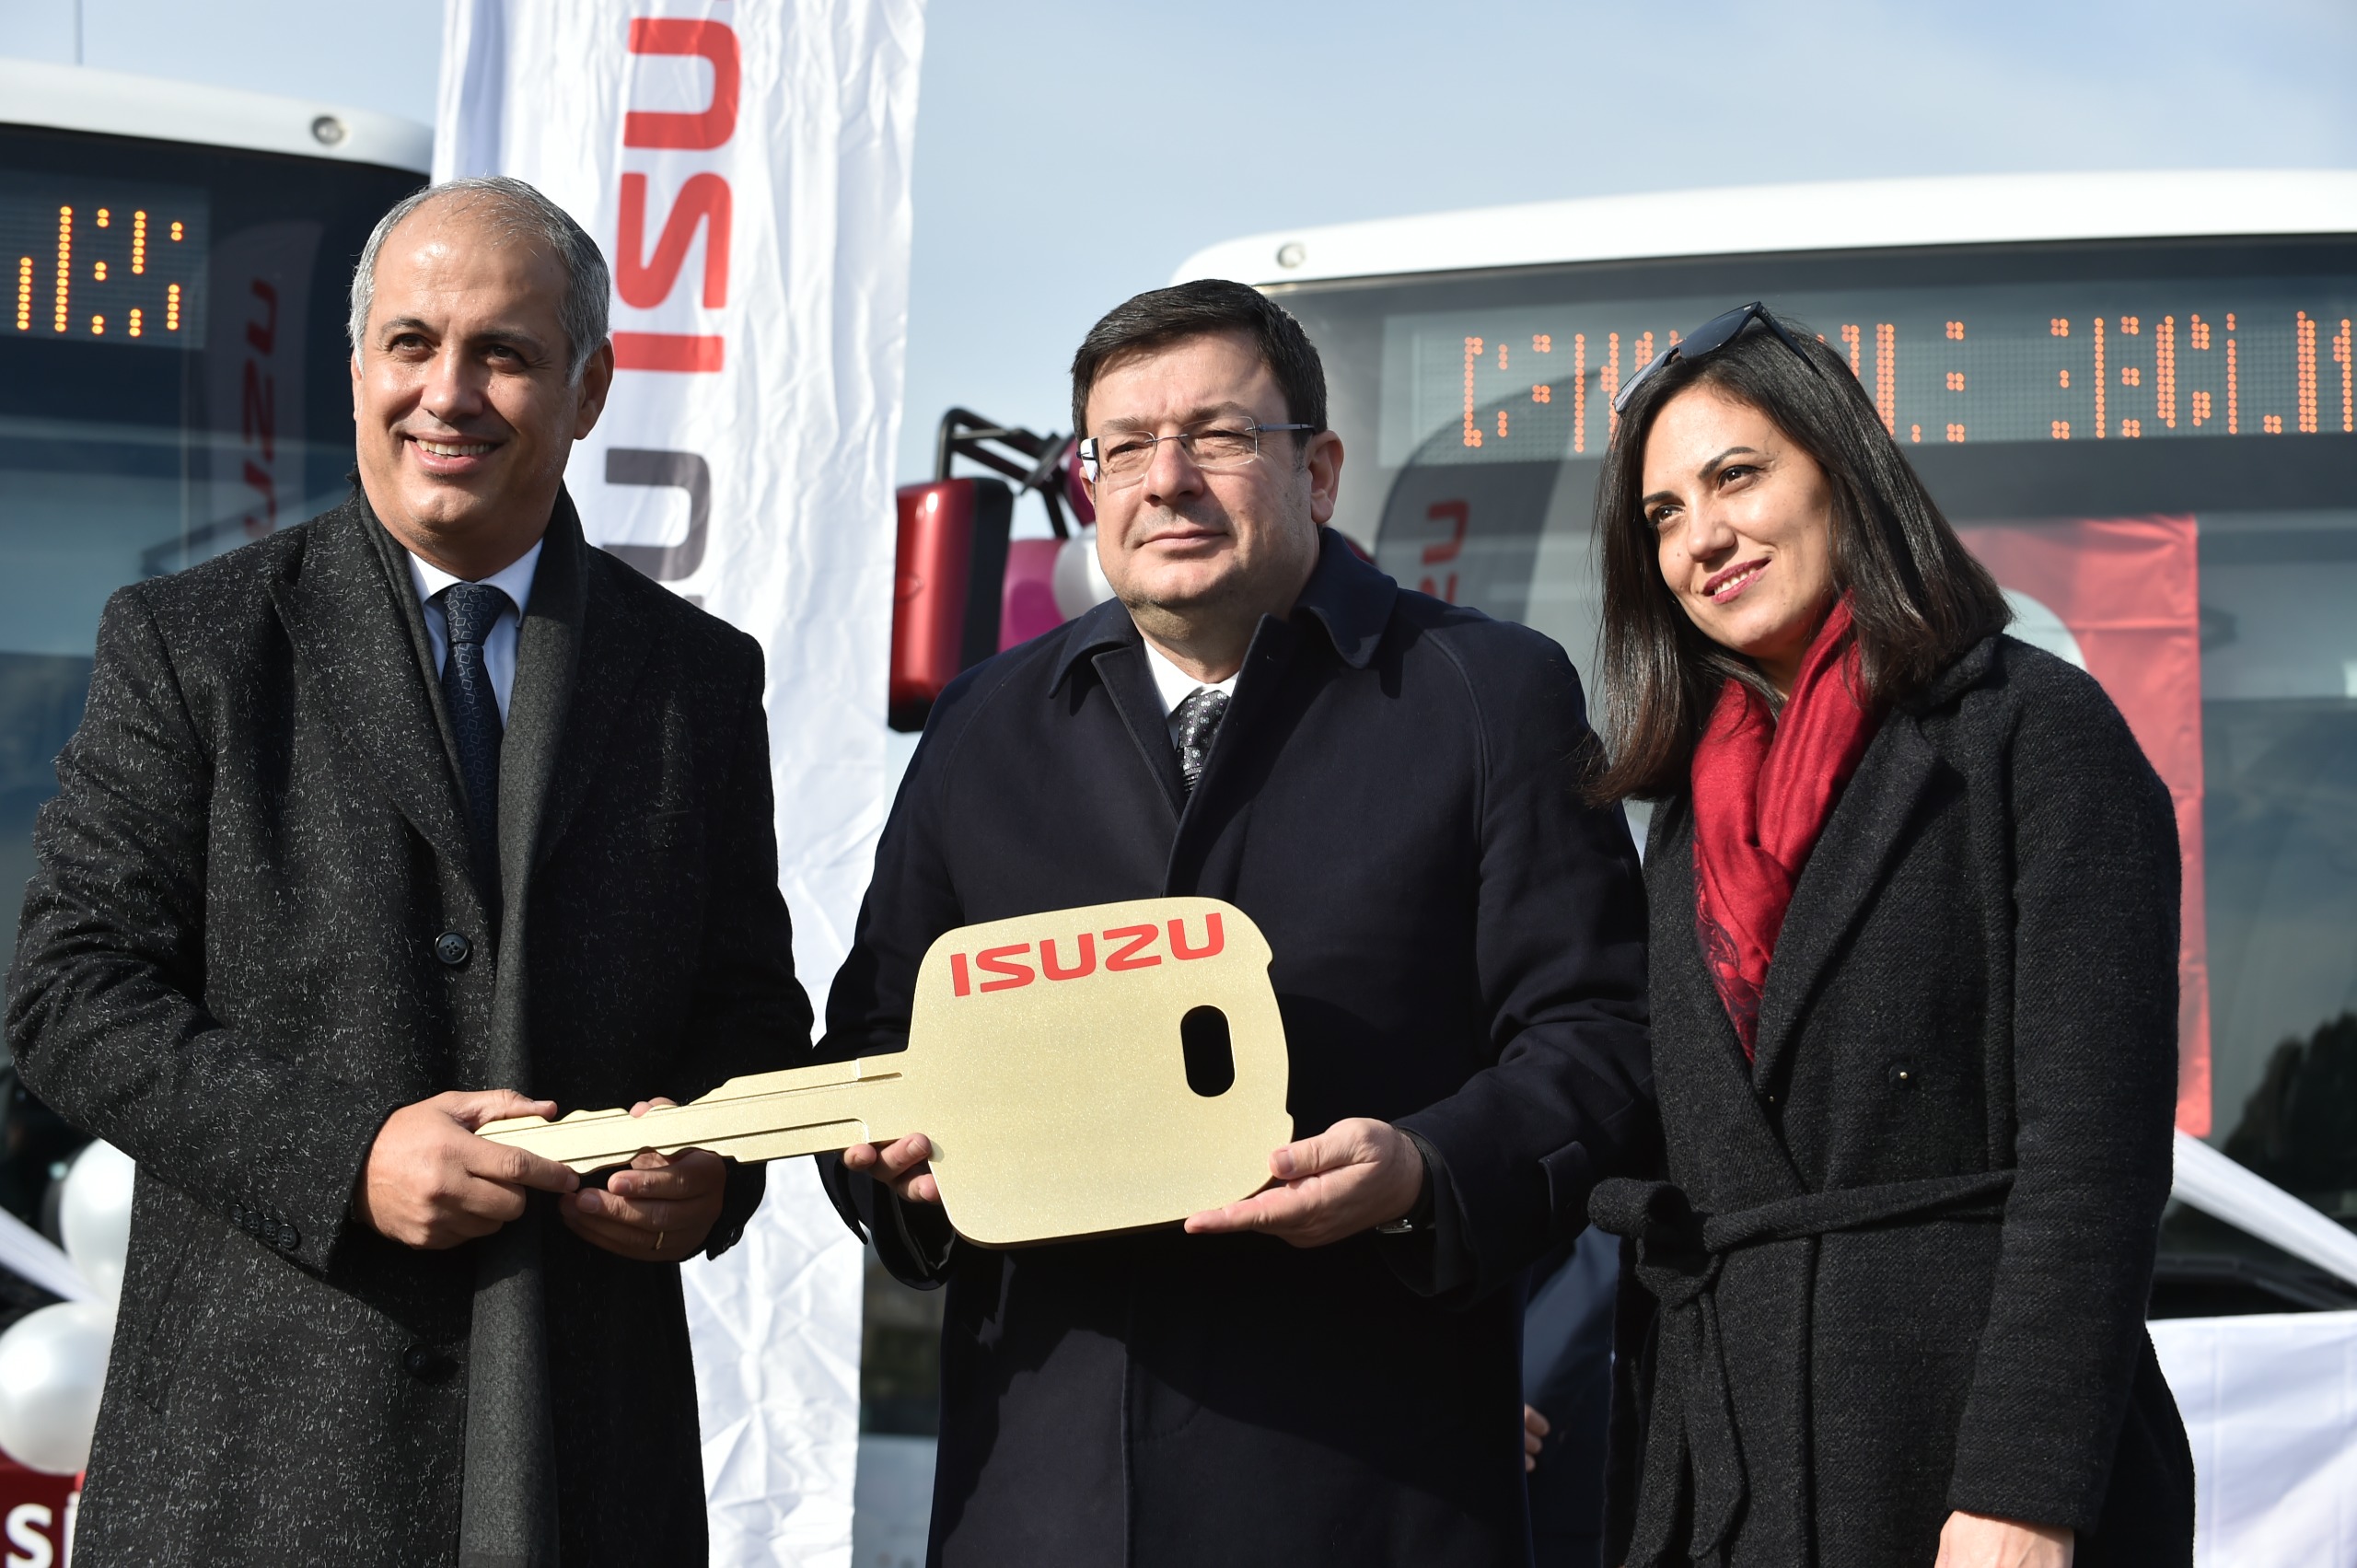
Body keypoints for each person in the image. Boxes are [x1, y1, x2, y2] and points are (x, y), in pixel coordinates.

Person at [4, 176, 807, 1567]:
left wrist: (711, 1167)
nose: (450, 392)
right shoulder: (193, 644)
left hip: (581, 1467)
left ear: (590, 390)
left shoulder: (699, 680)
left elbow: (747, 1010)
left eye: (504, 353)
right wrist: (347, 1159)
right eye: (413, 343)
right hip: (254, 1472)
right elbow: (68, 996)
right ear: (358, 367)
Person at [819, 279, 1655, 1566]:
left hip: (1371, 1496)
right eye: (1124, 447)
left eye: (1217, 436)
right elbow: (874, 1044)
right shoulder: (984, 723)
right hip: (1039, 1501)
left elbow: (1607, 1040)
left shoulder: (1487, 697)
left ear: (1317, 471)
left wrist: (1424, 1173)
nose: (1167, 481)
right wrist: (901, 1171)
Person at [1585, 304, 2194, 1568]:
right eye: (1662, 515)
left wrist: (2025, 1492)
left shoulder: (2032, 732)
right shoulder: (1685, 813)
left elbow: (2093, 1160)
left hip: (1966, 1467)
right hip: (1736, 1476)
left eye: (1736, 477)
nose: (1701, 539)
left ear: (1843, 471)